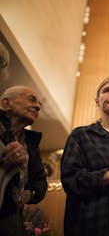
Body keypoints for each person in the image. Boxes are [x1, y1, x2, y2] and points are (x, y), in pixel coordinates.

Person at [61, 76, 109, 236]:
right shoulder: (80, 135)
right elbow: (70, 180)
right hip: (90, 225)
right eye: (107, 90)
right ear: (97, 101)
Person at [0, 85, 47, 236]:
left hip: (12, 217)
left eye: (40, 104)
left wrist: (31, 193)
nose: (38, 107)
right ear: (7, 103)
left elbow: (41, 181)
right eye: (32, 100)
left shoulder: (31, 144)